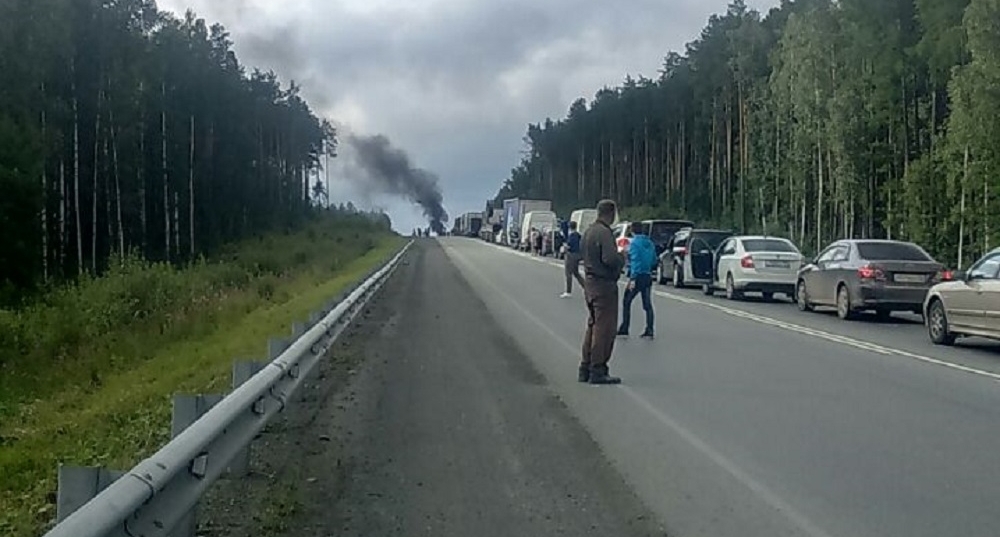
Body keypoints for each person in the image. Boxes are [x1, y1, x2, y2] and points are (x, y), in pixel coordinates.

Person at [580, 199, 625, 385]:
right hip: (604, 285)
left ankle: (585, 367)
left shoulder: (588, 231)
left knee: (592, 325)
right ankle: (598, 369)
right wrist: (621, 258)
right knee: (604, 329)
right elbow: (609, 259)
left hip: (590, 283)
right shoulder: (605, 233)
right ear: (612, 213)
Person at [618, 221, 656, 339]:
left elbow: (635, 261)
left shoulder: (634, 244)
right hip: (647, 275)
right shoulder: (650, 243)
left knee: (627, 301)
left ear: (632, 230)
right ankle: (649, 329)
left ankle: (625, 328)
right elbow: (654, 260)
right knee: (647, 304)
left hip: (637, 276)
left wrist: (632, 278)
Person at [560, 221, 585, 298]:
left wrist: (564, 247)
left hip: (571, 255)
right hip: (578, 255)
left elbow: (569, 246)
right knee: (576, 273)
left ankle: (568, 291)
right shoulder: (579, 235)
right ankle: (586, 287)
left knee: (568, 273)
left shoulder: (571, 236)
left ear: (570, 227)